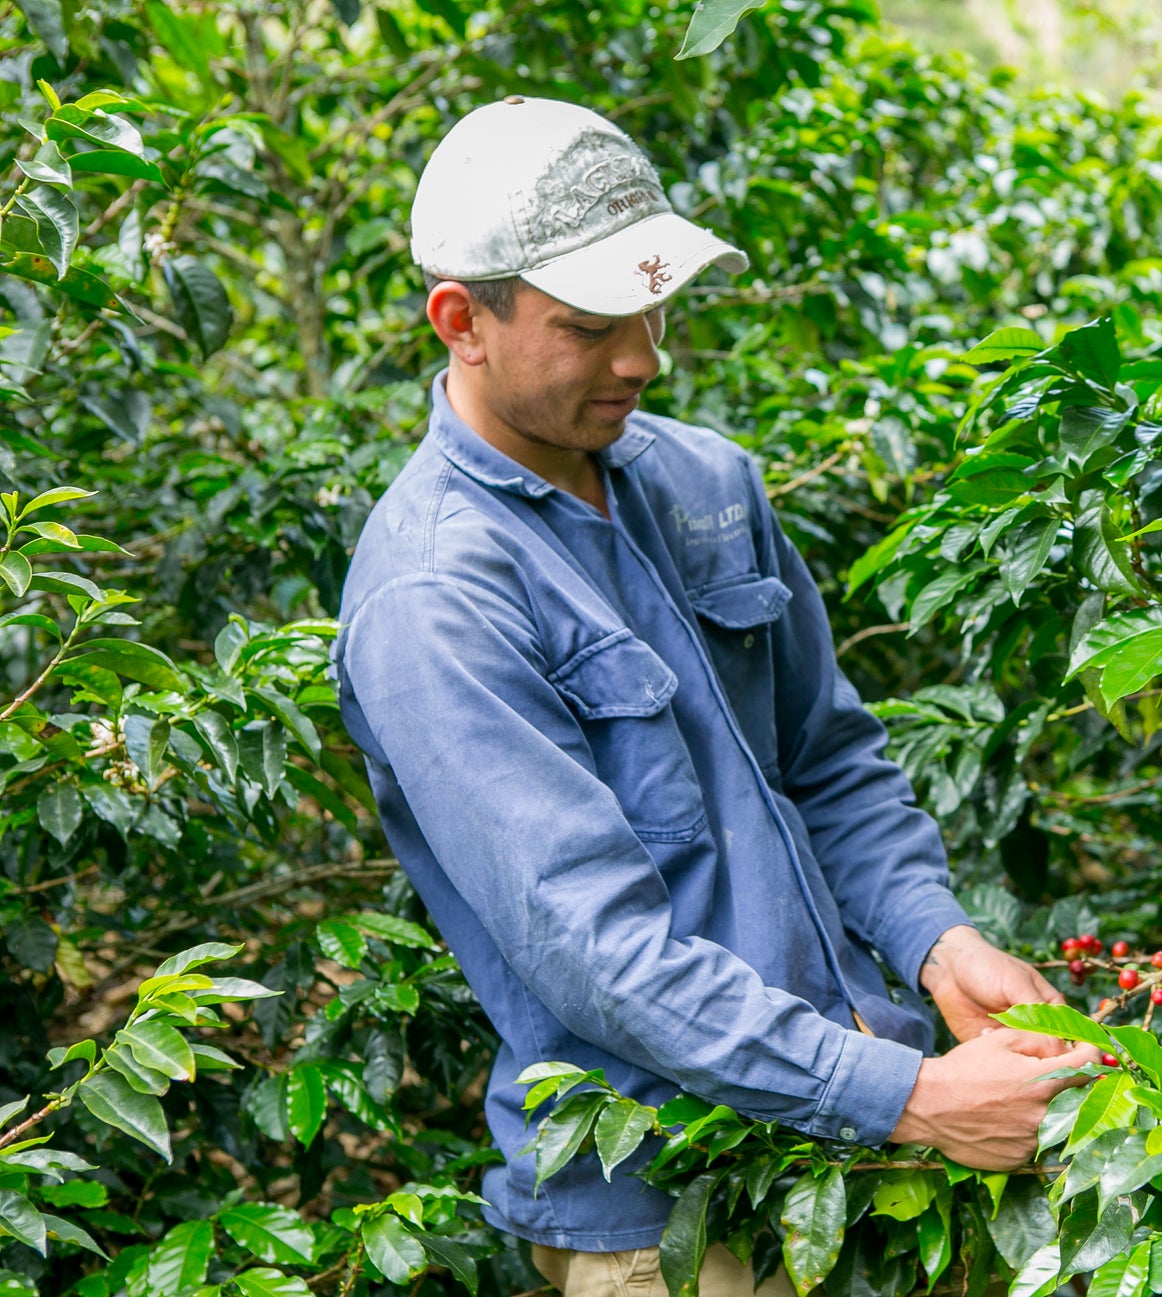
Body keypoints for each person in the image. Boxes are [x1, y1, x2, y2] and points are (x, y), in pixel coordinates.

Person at [331, 97, 1100, 1296]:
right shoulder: (434, 596)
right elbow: (597, 950)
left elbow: (828, 759)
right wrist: (910, 1100)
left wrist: (933, 940)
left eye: (650, 308)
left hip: (879, 1139)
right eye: (589, 325)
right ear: (460, 322)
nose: (643, 355)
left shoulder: (704, 482)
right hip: (667, 1215)